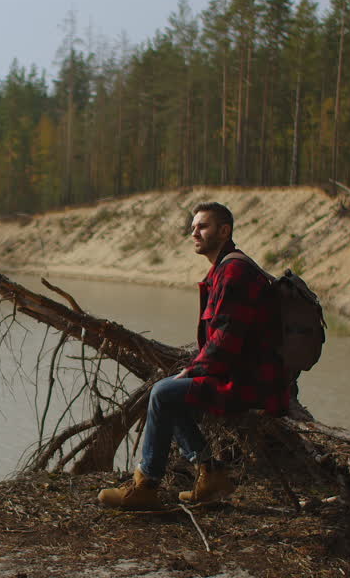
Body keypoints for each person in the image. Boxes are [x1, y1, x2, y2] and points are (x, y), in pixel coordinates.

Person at [98, 202, 290, 509]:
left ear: (224, 231)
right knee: (169, 390)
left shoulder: (235, 272)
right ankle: (210, 472)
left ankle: (146, 485)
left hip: (251, 383)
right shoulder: (225, 269)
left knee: (163, 392)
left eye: (203, 226)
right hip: (241, 375)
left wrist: (195, 369)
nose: (194, 233)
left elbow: (227, 339)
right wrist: (195, 369)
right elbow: (221, 339)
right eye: (192, 228)